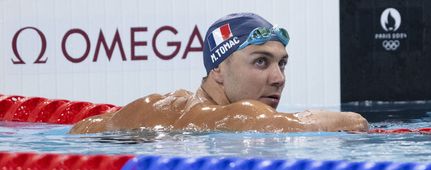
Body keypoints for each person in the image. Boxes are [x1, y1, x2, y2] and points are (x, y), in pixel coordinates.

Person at [70, 13, 368, 134]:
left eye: (282, 63)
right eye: (261, 62)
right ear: (217, 69)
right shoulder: (243, 115)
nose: (279, 78)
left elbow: (80, 130)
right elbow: (354, 121)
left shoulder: (153, 108)